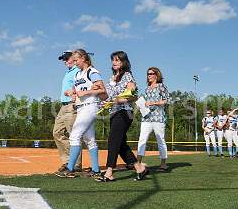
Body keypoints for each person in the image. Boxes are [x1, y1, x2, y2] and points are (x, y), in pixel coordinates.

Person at [96, 51, 147, 182]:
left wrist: (120, 100)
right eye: (113, 60)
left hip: (125, 112)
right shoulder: (111, 79)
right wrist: (99, 95)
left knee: (113, 140)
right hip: (114, 113)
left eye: (117, 60)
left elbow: (133, 95)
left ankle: (109, 172)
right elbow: (106, 97)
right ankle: (139, 167)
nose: (114, 62)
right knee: (121, 143)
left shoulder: (128, 76)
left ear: (124, 62)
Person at [55, 49, 107, 178]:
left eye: (76, 60)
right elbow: (77, 89)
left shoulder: (92, 72)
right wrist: (71, 92)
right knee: (89, 140)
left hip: (90, 106)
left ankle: (70, 168)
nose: (75, 62)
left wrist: (86, 92)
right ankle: (95, 170)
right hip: (81, 107)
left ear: (83, 58)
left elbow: (102, 90)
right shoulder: (78, 74)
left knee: (74, 136)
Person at [136, 67, 169, 173]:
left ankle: (163, 164)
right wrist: (140, 105)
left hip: (158, 118)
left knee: (160, 141)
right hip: (146, 118)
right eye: (148, 74)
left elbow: (166, 101)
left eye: (151, 73)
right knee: (142, 139)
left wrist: (153, 103)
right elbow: (144, 102)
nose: (149, 75)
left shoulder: (161, 86)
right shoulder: (147, 88)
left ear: (156, 75)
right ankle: (139, 163)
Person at [53, 51, 82, 172]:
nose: (64, 61)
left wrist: (75, 94)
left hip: (72, 106)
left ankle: (76, 164)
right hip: (63, 106)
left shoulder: (77, 71)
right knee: (57, 132)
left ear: (73, 58)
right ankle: (67, 161)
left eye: (66, 58)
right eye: (63, 59)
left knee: (73, 135)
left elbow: (82, 86)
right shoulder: (68, 72)